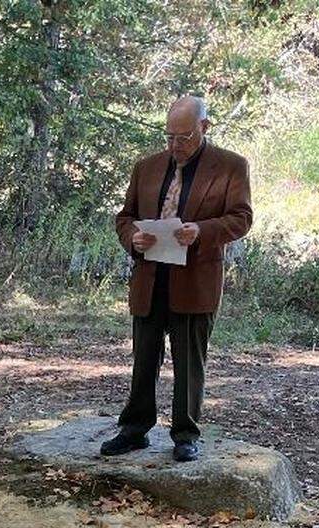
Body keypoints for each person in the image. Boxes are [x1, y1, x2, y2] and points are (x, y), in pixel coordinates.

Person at [103, 95, 252, 463]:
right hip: (150, 279)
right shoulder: (147, 167)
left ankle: (185, 435)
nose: (174, 145)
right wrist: (133, 239)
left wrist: (201, 231)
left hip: (195, 281)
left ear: (204, 127)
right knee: (144, 359)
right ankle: (134, 429)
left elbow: (241, 218)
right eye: (169, 136)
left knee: (188, 363)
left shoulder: (231, 166)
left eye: (183, 137)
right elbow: (125, 217)